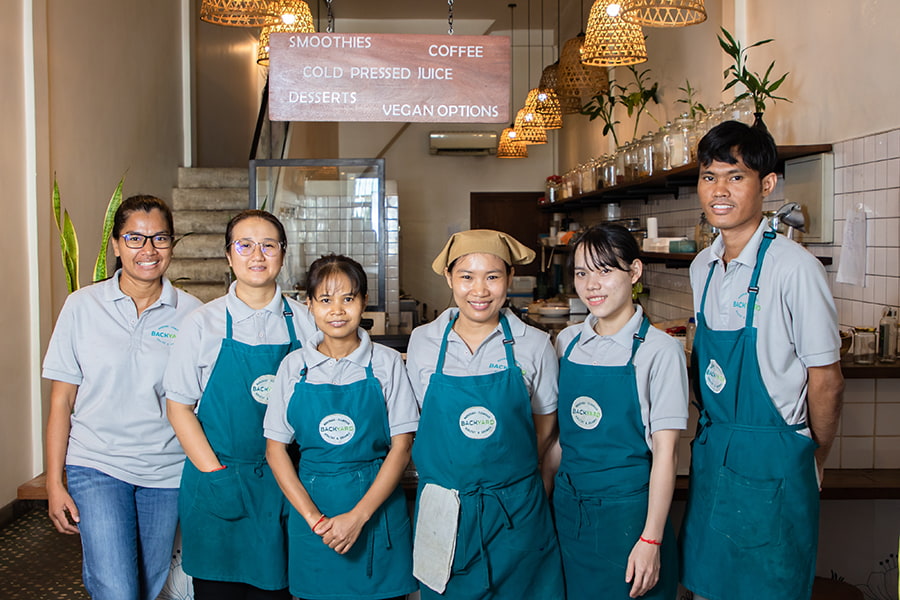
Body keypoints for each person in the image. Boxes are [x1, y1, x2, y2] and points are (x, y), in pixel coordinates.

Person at [679, 121, 844, 600]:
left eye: (735, 176)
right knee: (707, 588)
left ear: (766, 185)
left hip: (776, 457)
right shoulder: (701, 267)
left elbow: (827, 381)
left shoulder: (795, 269)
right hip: (715, 456)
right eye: (709, 177)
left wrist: (811, 454)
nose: (719, 191)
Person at [43, 195, 202, 600]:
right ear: (115, 245)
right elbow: (61, 401)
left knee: (147, 587)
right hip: (97, 463)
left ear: (171, 245)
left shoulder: (194, 315)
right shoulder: (82, 306)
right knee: (116, 588)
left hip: (166, 471)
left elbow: (199, 403)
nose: (148, 250)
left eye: (159, 238)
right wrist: (53, 483)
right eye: (135, 238)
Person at [164, 209, 316, 600]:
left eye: (269, 245)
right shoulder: (202, 323)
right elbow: (179, 407)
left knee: (277, 592)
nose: (257, 255)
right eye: (244, 245)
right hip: (218, 479)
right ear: (229, 257)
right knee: (219, 591)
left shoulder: (306, 323)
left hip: (285, 481)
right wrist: (215, 473)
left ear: (283, 254)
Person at [405, 229, 564, 600]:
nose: (480, 290)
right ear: (449, 278)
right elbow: (419, 419)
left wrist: (509, 475)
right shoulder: (424, 341)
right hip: (444, 510)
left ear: (510, 278)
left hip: (516, 511)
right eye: (466, 277)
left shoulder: (535, 344)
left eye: (492, 276)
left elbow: (544, 424)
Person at [264, 254, 419, 600]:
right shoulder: (294, 367)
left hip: (376, 516)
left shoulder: (387, 363)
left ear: (363, 302)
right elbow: (275, 451)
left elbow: (402, 446)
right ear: (309, 306)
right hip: (314, 521)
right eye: (325, 299)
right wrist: (315, 520)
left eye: (348, 298)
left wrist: (358, 517)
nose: (337, 309)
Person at [549, 223, 687, 599]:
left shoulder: (660, 351)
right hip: (568, 511)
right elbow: (561, 439)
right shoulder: (567, 342)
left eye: (605, 270)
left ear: (635, 272)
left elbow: (666, 454)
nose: (592, 284)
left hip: (627, 518)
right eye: (581, 272)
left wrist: (651, 539)